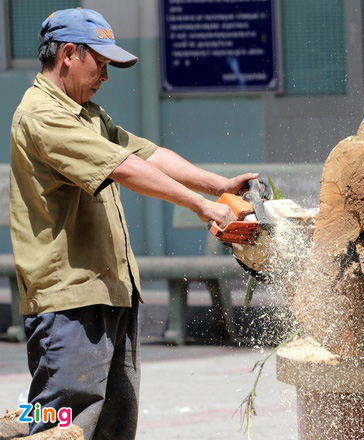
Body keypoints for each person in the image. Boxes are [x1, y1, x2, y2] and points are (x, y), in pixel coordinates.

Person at [9, 8, 257, 439]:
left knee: (113, 424)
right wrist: (203, 207)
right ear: (69, 53)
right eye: (100, 64)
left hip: (111, 290)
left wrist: (221, 186)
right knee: (62, 421)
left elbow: (147, 155)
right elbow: (124, 168)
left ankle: (24, 424)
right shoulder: (43, 115)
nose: (104, 76)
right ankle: (22, 426)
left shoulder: (86, 113)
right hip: (69, 302)